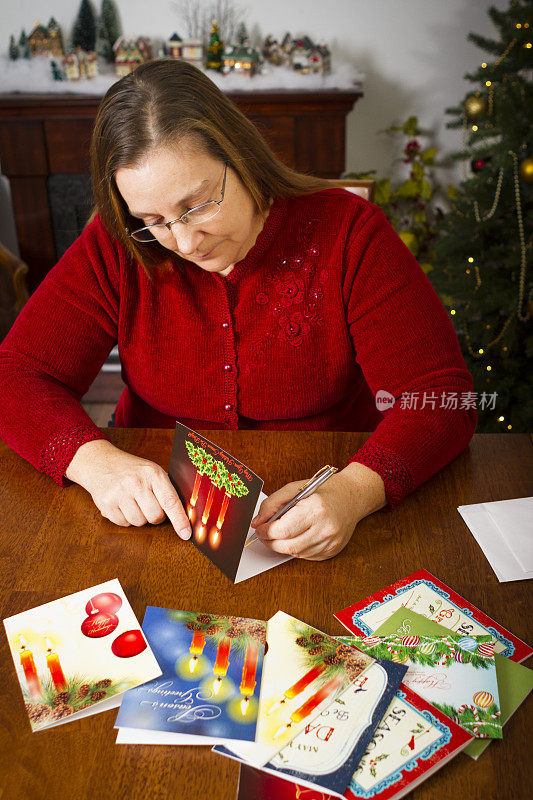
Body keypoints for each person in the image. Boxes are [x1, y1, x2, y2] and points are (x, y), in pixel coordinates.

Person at [0, 60, 476, 560]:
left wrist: (356, 491)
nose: (183, 241)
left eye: (198, 204)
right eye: (153, 220)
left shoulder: (349, 234)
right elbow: (14, 375)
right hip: (157, 519)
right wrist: (95, 463)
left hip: (326, 510)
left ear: (241, 156)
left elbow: (442, 397)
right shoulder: (117, 246)